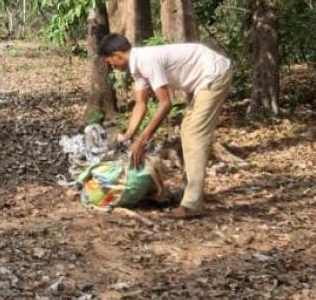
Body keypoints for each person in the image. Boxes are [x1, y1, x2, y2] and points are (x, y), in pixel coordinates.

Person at [100, 34, 233, 219]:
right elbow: (141, 104)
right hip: (206, 77)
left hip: (214, 74)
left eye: (110, 61)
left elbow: (165, 104)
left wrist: (142, 140)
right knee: (187, 130)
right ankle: (190, 193)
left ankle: (192, 204)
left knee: (194, 134)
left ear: (117, 55)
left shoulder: (146, 60)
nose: (111, 66)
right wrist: (129, 134)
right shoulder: (137, 67)